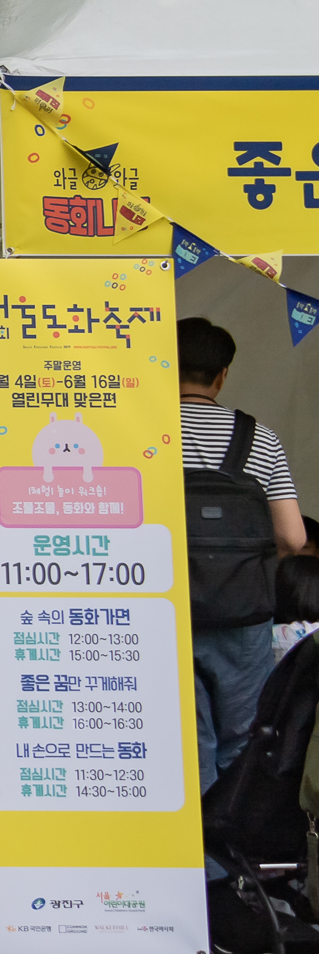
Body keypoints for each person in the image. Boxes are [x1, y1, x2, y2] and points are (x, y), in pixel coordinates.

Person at [179, 317, 308, 795]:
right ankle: (236, 860)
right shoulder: (261, 438)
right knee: (241, 741)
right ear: (222, 375)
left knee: (189, 743)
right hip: (243, 616)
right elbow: (294, 538)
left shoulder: (140, 436)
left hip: (164, 610)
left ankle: (201, 865)